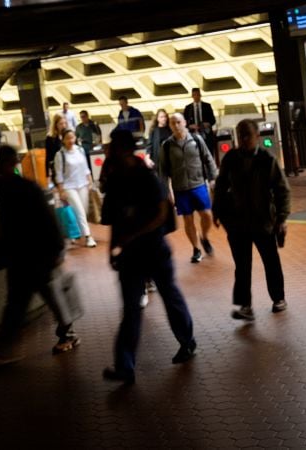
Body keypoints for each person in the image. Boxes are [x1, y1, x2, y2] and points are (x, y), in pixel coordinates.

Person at [100, 129, 197, 384]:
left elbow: (162, 213)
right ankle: (125, 366)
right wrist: (113, 249)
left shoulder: (145, 176)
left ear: (123, 148)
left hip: (152, 251)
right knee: (132, 308)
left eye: (114, 145)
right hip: (134, 255)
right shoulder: (116, 179)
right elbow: (114, 222)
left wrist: (131, 237)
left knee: (168, 295)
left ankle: (186, 341)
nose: (110, 149)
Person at [0, 145, 81, 359]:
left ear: (10, 164)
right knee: (24, 301)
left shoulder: (22, 188)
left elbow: (48, 220)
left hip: (33, 257)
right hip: (26, 257)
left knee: (28, 301)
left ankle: (7, 349)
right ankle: (6, 348)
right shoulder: (12, 186)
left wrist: (57, 250)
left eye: (1, 163)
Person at [212, 119, 290, 321]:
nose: (244, 139)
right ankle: (245, 305)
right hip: (238, 222)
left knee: (270, 261)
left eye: (248, 134)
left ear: (257, 136)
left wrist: (281, 218)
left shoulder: (267, 159)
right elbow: (220, 186)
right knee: (242, 265)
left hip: (263, 221)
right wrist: (217, 211)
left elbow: (282, 190)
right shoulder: (231, 158)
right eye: (241, 135)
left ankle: (278, 298)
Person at [159, 113, 218, 263]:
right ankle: (196, 249)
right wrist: (167, 191)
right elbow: (163, 171)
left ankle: (204, 237)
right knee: (188, 219)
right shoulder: (166, 145)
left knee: (206, 215)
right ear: (170, 126)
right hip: (180, 189)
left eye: (178, 122)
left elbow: (208, 159)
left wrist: (213, 178)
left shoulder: (196, 140)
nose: (176, 125)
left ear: (184, 122)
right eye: (173, 123)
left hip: (198, 185)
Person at [54, 129, 97, 248]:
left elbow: (85, 167)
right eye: (67, 138)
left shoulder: (80, 150)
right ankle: (88, 237)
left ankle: (75, 233)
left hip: (82, 184)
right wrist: (61, 190)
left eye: (72, 138)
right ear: (63, 140)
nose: (70, 141)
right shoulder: (60, 154)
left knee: (83, 210)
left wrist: (90, 181)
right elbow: (59, 174)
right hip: (69, 187)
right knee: (80, 211)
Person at [183, 88, 217, 157]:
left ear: (200, 95)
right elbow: (184, 123)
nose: (196, 97)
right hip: (193, 134)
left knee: (208, 153)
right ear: (192, 96)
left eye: (198, 95)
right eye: (194, 95)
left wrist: (208, 123)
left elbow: (213, 120)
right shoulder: (188, 108)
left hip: (206, 134)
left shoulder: (207, 106)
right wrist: (190, 126)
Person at [45, 113, 68, 182]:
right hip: (57, 168)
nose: (63, 126)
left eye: (65, 123)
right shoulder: (50, 138)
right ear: (56, 125)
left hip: (68, 167)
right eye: (61, 124)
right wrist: (47, 174)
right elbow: (48, 156)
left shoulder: (68, 135)